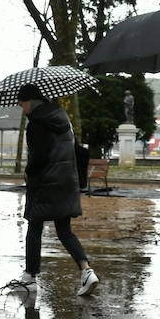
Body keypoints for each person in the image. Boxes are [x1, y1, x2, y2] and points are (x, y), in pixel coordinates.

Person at [11, 83, 98, 295]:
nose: (23, 109)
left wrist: (28, 171)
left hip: (45, 183)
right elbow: (74, 150)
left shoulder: (37, 123)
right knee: (64, 230)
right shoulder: (62, 118)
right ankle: (87, 271)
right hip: (66, 181)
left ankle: (30, 278)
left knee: (34, 227)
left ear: (30, 101)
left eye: (22, 105)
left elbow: (39, 156)